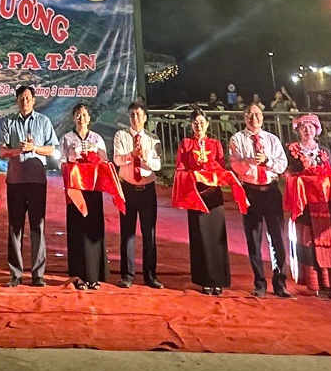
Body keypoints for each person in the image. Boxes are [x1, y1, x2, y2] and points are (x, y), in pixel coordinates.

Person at [284, 112, 331, 298]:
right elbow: (288, 174)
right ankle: (316, 283)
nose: (307, 130)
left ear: (316, 130)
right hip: (306, 204)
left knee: (330, 241)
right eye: (304, 127)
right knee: (310, 243)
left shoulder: (323, 150)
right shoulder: (293, 150)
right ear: (298, 130)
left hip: (326, 204)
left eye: (311, 127)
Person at [175, 111, 244, 295]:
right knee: (200, 237)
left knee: (216, 236)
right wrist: (192, 175)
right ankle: (204, 279)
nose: (198, 126)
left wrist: (211, 173)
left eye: (201, 122)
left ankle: (218, 279)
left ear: (207, 124)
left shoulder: (215, 144)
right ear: (191, 125)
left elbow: (221, 168)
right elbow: (180, 168)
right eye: (195, 123)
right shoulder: (186, 144)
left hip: (213, 195)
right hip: (195, 195)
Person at [229, 102, 291, 298]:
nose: (253, 118)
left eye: (257, 114)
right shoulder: (237, 139)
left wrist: (267, 161)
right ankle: (259, 282)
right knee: (253, 238)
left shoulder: (272, 139)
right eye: (249, 114)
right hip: (251, 191)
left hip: (271, 191)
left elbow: (282, 165)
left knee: (277, 237)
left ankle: (280, 282)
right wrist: (251, 163)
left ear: (262, 117)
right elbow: (235, 165)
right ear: (244, 117)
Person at [0, 85, 57, 287]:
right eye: (21, 98)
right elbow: (2, 152)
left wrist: (34, 148)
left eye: (28, 98)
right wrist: (18, 150)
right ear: (17, 101)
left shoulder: (43, 121)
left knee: (37, 227)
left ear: (34, 100)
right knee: (15, 227)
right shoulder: (9, 122)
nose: (25, 101)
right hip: (15, 180)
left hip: (36, 181)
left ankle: (38, 274)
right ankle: (15, 273)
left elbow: (51, 149)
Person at [59, 103, 116, 290]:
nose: (81, 118)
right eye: (78, 114)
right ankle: (79, 276)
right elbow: (61, 162)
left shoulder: (97, 138)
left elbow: (104, 161)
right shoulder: (67, 138)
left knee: (93, 231)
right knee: (77, 232)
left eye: (84, 114)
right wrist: (72, 160)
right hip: (76, 191)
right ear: (73, 118)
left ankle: (94, 276)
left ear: (89, 118)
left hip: (93, 190)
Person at [110, 101, 164, 289]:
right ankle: (127, 275)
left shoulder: (153, 139)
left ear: (145, 117)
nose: (135, 118)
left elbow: (157, 165)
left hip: (147, 189)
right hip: (128, 189)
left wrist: (145, 158)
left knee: (149, 234)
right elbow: (117, 159)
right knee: (127, 233)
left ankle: (151, 276)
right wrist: (131, 155)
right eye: (132, 114)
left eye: (139, 115)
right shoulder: (121, 136)